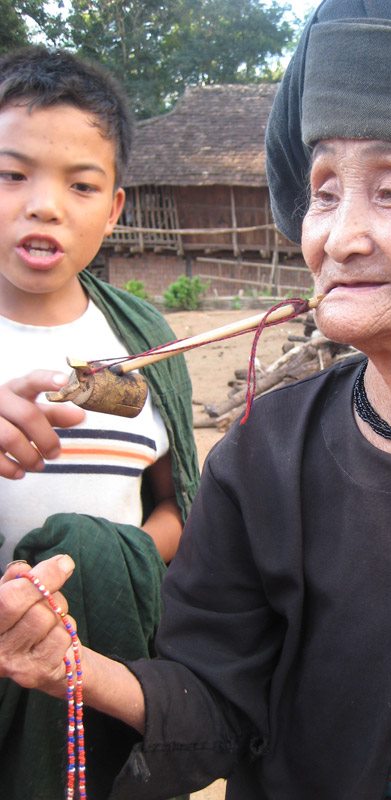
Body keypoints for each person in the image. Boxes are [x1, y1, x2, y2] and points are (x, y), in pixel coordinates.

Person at [1, 1, 391, 798]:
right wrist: (71, 668)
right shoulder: (260, 454)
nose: (336, 238)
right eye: (323, 193)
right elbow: (215, 698)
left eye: (390, 191)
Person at [0, 47, 199, 798]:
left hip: (105, 666)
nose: (43, 204)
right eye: (11, 174)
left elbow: (177, 506)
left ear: (114, 207)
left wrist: (106, 566)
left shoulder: (149, 343)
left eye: (80, 185)